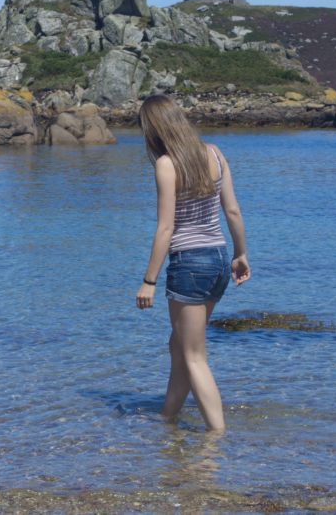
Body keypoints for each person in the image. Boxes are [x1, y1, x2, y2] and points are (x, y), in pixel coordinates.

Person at [134, 95, 250, 431]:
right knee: (179, 345)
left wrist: (149, 281)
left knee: (194, 355)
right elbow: (233, 211)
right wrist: (241, 254)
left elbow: (166, 228)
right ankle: (168, 417)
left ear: (154, 130)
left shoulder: (166, 164)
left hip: (189, 264)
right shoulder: (214, 153)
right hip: (217, 260)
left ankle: (216, 435)